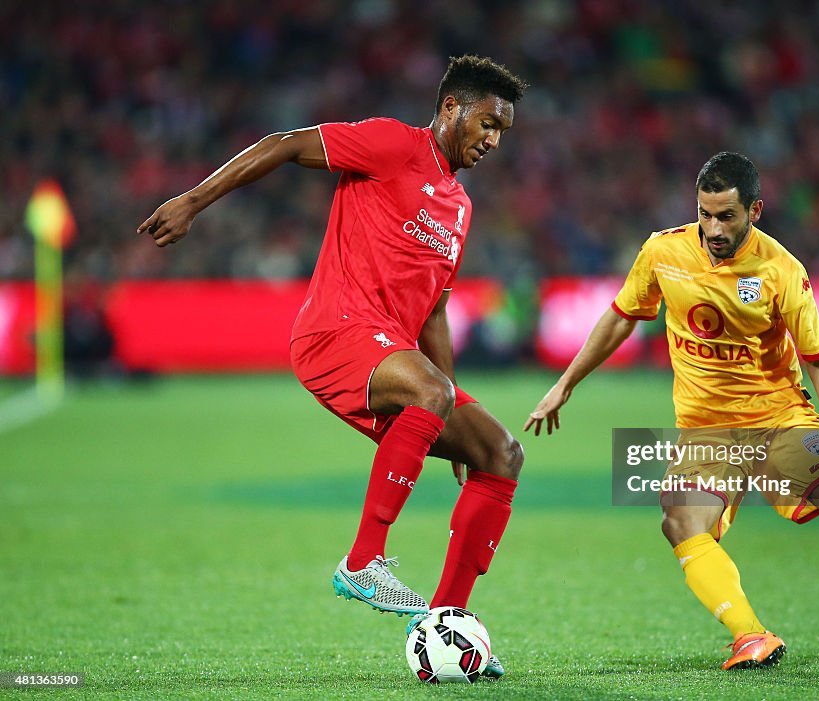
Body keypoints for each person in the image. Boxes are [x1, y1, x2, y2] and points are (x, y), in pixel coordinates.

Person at [139, 55, 528, 678]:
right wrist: (193, 200)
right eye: (487, 123)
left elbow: (432, 315)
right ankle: (363, 562)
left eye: (503, 132)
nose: (493, 141)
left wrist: (454, 402)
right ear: (451, 108)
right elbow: (285, 144)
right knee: (432, 394)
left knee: (502, 455)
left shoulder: (458, 206)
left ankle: (447, 620)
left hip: (394, 356)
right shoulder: (392, 145)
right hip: (333, 334)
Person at [526, 152, 819, 670]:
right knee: (681, 522)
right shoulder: (664, 252)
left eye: (725, 216)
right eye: (704, 213)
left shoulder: (781, 270)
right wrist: (565, 384)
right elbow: (623, 317)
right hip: (706, 430)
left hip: (780, 417)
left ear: (754, 210)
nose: (712, 227)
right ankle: (751, 636)